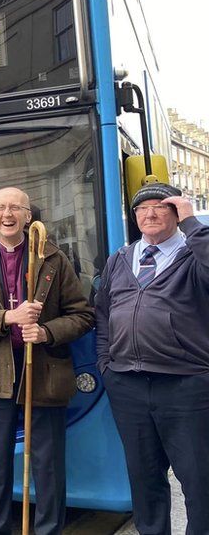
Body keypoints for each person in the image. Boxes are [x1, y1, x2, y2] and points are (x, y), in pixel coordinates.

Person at [0, 187, 93, 535]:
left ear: (29, 216)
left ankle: (47, 531)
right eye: (0, 207)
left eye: (15, 207)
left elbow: (82, 315)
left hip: (43, 372)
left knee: (48, 465)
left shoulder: (54, 259)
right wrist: (7, 318)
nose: (7, 214)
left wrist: (46, 333)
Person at [95, 183, 209, 535]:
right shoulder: (120, 259)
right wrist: (106, 363)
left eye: (161, 206)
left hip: (185, 383)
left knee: (199, 478)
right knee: (144, 478)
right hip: (127, 384)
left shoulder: (193, 254)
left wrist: (193, 223)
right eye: (142, 209)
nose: (151, 213)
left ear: (177, 213)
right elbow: (102, 313)